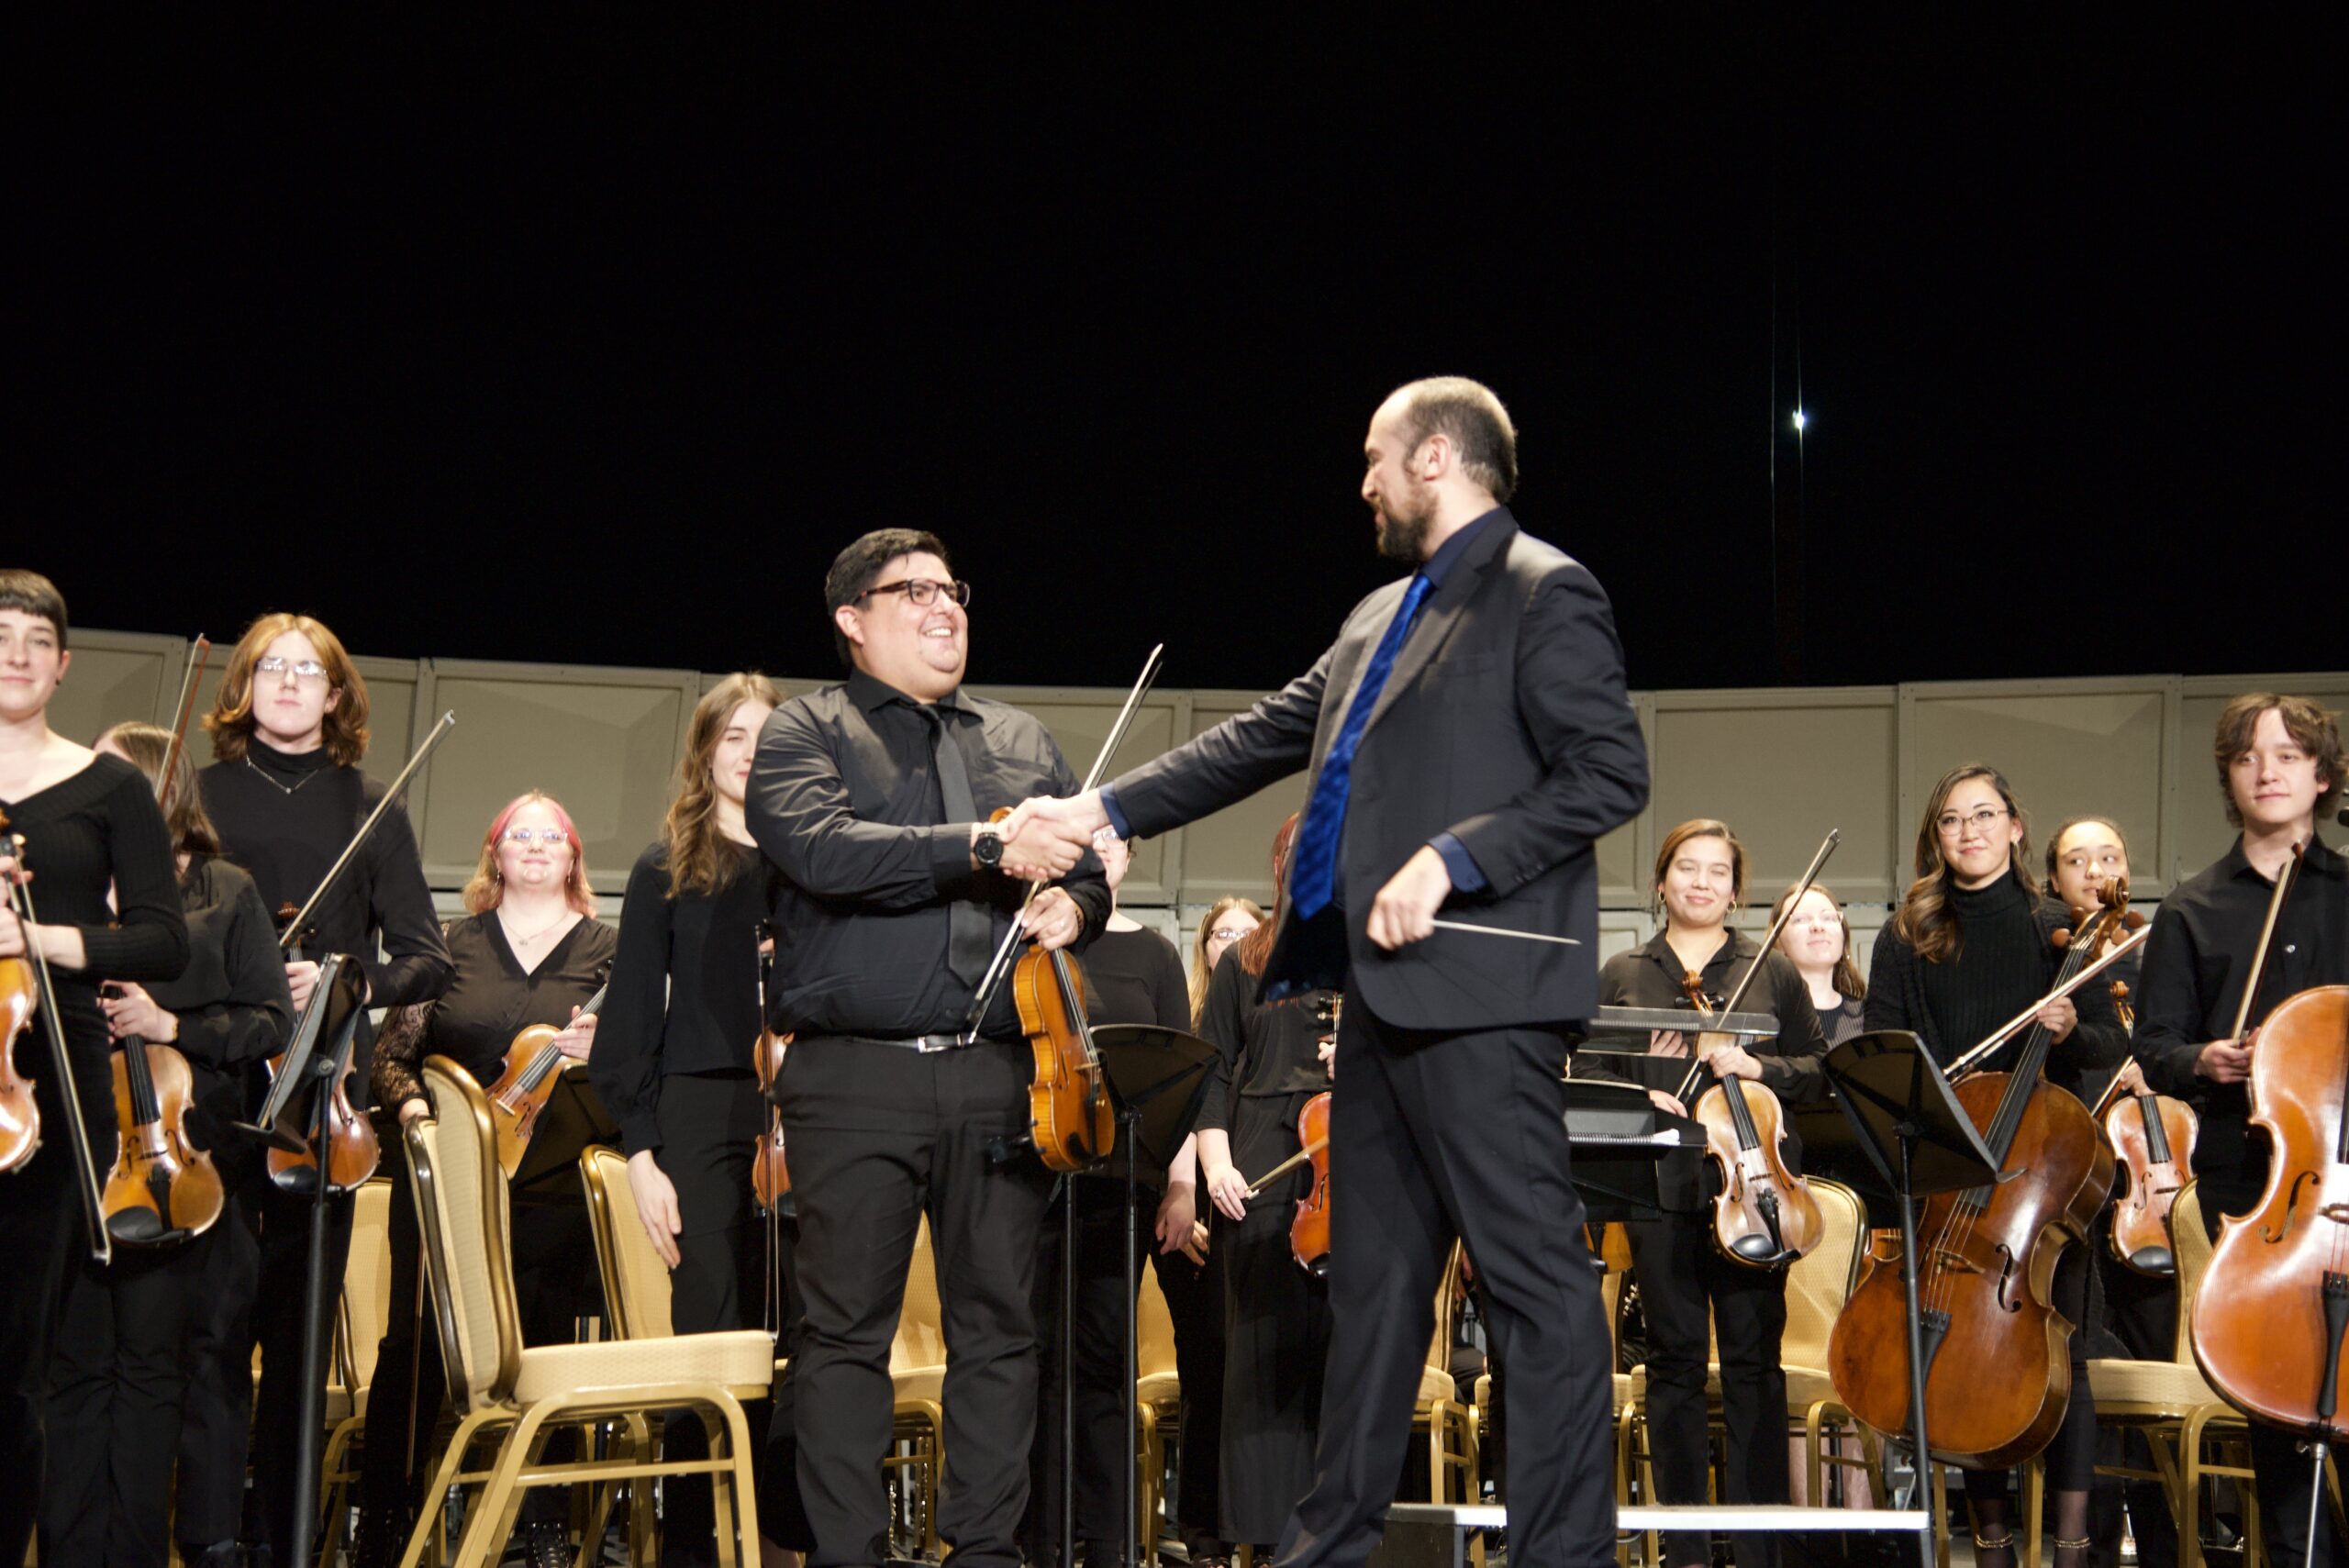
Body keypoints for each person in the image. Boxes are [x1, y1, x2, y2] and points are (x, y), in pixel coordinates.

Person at [1008, 377, 1650, 1568]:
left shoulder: (1543, 589)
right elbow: (1259, 735)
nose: (1363, 484)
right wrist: (1100, 810)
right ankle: (1330, 1547)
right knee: (1373, 1292)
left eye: (1373, 459)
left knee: (1533, 1287)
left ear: (1435, 456)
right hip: (1376, 1005)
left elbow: (1609, 771)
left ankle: (1565, 1554)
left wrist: (1453, 858)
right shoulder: (1376, 616)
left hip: (1487, 1003)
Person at [746, 528, 1110, 1568]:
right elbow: (824, 850)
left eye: (952, 588)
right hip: (853, 1074)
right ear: (851, 619)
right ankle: (849, 1552)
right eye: (912, 591)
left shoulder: (1022, 738)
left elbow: (1087, 867)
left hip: (1001, 1071)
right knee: (843, 1333)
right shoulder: (803, 731)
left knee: (1000, 1327)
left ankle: (985, 1549)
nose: (944, 605)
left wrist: (1076, 907)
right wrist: (987, 843)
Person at [187, 611, 451, 1568]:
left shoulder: (371, 805)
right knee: (212, 1326)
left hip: (321, 1096)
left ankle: (283, 1536)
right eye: (272, 666)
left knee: (300, 1335)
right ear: (243, 684)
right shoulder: (197, 793)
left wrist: (344, 979)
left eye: (309, 669)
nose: (290, 681)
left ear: (335, 693)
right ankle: (210, 1534)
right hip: (214, 1083)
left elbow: (424, 955)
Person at [39, 722, 292, 1568]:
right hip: (76, 1149)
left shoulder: (226, 890)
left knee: (152, 1368)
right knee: (74, 1367)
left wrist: (170, 1023)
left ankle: (135, 1551)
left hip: (174, 1160)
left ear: (156, 790)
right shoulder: (67, 887)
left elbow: (270, 1019)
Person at [1863, 764, 2128, 1568]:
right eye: (1951, 819)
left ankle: (2073, 1548)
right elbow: (1885, 1044)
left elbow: (2113, 1043)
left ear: (2015, 826)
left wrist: (2072, 1026)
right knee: (1966, 1353)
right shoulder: (1908, 934)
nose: (1969, 830)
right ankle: (1991, 1545)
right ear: (1936, 837)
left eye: (1984, 815)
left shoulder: (2062, 926)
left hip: (2048, 1170)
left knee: (2066, 1353)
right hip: (1953, 1161)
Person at [362, 791, 616, 1568]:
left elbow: (646, 1064)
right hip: (446, 1180)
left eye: (552, 835)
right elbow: (390, 1059)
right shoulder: (447, 946)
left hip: (555, 1184)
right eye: (519, 834)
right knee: (417, 1346)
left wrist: (605, 1046)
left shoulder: (611, 951)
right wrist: (420, 1120)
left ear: (572, 858)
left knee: (546, 1347)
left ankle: (541, 1528)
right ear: (495, 855)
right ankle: (388, 1525)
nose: (536, 845)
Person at [0, 571, 190, 1568]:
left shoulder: (111, 788)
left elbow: (163, 939)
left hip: (49, 1081)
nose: (17, 654)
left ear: (64, 663)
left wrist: (42, 938)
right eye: (2, 635)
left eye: (37, 640)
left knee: (14, 1365)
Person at [2132, 694, 2346, 1567]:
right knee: (2282, 1405)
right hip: (2257, 1189)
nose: (2268, 770)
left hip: (2342, 1172)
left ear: (2322, 776)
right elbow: (2154, 1048)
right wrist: (2208, 1059)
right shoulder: (2191, 908)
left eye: (2289, 755)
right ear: (2228, 777)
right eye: (2249, 756)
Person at [591, 672, 797, 1568]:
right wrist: (641, 1151)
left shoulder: (812, 860)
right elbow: (631, 1018)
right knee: (710, 1332)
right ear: (707, 751)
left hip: (801, 1112)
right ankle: (691, 1547)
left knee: (801, 1333)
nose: (749, 753)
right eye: (733, 736)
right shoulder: (664, 867)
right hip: (701, 1112)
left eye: (766, 737)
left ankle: (782, 1539)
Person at [1593, 819, 1828, 1568]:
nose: (1701, 882)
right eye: (1686, 868)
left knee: (1755, 1361)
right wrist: (1641, 1098)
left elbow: (1820, 1067)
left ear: (1735, 888)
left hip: (1754, 1183)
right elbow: (1587, 1069)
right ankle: (1686, 1546)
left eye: (1717, 871)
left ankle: (1762, 1549)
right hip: (1661, 1181)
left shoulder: (1770, 970)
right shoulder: (1625, 972)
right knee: (1674, 1360)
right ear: (1661, 881)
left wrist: (1760, 1069)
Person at [1025, 826, 1198, 1568]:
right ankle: (1041, 1536)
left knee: (1104, 1361)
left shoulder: (1155, 954)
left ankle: (1109, 1540)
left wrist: (1182, 1181)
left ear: (1128, 858)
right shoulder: (1036, 939)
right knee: (1036, 1361)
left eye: (1115, 842)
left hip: (1121, 1183)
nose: (1103, 853)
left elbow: (1185, 1078)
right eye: (1088, 842)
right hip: (1037, 1174)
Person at [1193, 813, 1336, 1559]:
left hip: (1351, 1162)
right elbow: (1212, 1070)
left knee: (1345, 1354)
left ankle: (1341, 1528)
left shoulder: (1380, 957)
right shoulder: (1243, 962)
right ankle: (1265, 1536)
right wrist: (1217, 1164)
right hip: (1261, 1160)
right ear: (1281, 864)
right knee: (1259, 1355)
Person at [1770, 881, 1868, 1047]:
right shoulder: (1768, 1019)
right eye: (1800, 919)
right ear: (1778, 942)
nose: (1817, 926)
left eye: (1828, 918)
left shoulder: (1869, 1017)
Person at [1187, 897, 1264, 1028]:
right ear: (1205, 953)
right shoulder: (1184, 1019)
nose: (1237, 944)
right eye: (1224, 935)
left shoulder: (1283, 1020)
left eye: (1251, 935)